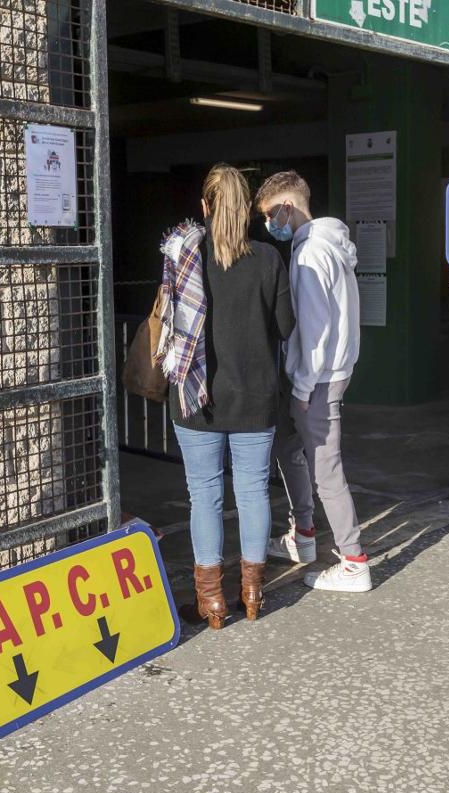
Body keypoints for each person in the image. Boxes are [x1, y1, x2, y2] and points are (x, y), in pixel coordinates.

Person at [162, 164, 294, 629]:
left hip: (198, 399)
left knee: (205, 495)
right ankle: (253, 594)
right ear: (247, 212)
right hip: (256, 397)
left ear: (205, 208)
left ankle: (212, 602)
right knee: (253, 491)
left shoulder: (184, 257)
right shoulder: (268, 259)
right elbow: (285, 327)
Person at [253, 171, 370, 593]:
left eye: (270, 214)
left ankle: (354, 561)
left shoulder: (307, 257)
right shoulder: (330, 246)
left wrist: (302, 389)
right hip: (331, 373)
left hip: (317, 380)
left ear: (287, 207)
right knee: (291, 448)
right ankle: (304, 535)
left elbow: (314, 332)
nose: (269, 224)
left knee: (327, 471)